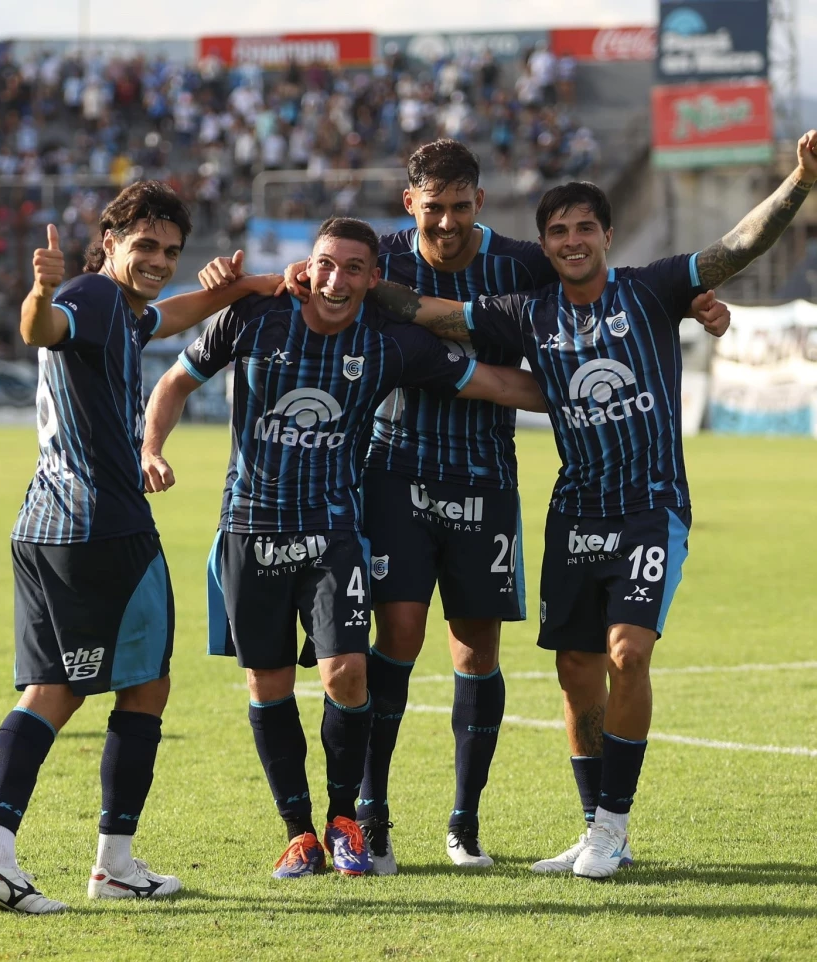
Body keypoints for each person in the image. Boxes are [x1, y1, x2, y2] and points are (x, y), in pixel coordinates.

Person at [225, 139, 727, 874]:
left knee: (476, 649)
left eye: (461, 206)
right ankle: (371, 815)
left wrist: (692, 302)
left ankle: (464, 822)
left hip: (486, 473)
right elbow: (329, 280)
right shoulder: (380, 260)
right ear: (411, 203)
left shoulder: (521, 265)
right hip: (394, 467)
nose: (448, 221)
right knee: (397, 633)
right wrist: (291, 275)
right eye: (434, 207)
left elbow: (594, 291)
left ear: (480, 203)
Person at [369, 129, 817, 880]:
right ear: (545, 246)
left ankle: (613, 827)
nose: (572, 241)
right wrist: (334, 283)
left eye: (585, 228)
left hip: (649, 504)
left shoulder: (652, 289)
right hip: (575, 509)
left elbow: (735, 248)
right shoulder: (527, 311)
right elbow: (432, 312)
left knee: (628, 653)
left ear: (608, 236)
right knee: (577, 669)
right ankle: (595, 830)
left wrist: (802, 180)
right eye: (559, 232)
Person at [141, 216, 547, 880]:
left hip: (334, 531)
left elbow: (495, 384)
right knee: (267, 684)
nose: (336, 280)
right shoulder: (254, 318)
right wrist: (151, 449)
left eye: (354, 268)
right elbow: (175, 382)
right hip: (250, 527)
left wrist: (578, 387)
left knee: (347, 674)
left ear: (372, 278)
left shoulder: (389, 343)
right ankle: (299, 835)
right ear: (308, 266)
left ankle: (343, 821)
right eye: (326, 264)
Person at [0, 181, 280, 914]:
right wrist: (39, 293)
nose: (160, 261)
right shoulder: (94, 298)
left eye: (171, 250)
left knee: (60, 686)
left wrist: (246, 287)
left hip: (43, 525)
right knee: (130, 686)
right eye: (145, 246)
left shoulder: (124, 311)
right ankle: (82, 860)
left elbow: (171, 316)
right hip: (104, 529)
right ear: (108, 243)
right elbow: (44, 329)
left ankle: (21, 853)